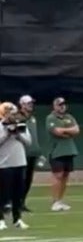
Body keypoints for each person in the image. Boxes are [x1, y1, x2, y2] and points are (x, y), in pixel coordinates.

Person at [0, 102, 32, 230]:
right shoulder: (1, 126)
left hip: (20, 162)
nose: (12, 116)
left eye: (13, 113)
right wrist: (7, 133)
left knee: (17, 194)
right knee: (2, 194)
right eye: (9, 113)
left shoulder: (21, 124)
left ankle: (17, 219)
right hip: (3, 164)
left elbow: (28, 142)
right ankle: (1, 220)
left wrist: (17, 134)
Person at [46, 97, 81, 211]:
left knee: (65, 176)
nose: (62, 106)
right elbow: (56, 131)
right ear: (55, 106)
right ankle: (55, 201)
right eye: (60, 104)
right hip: (56, 151)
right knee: (58, 175)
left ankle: (60, 200)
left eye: (64, 104)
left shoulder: (69, 117)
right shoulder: (51, 118)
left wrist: (65, 131)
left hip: (69, 150)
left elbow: (76, 130)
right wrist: (68, 131)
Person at [17, 95, 39, 215]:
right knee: (20, 179)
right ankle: (14, 202)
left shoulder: (32, 118)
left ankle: (22, 202)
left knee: (28, 180)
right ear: (22, 104)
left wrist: (37, 150)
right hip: (21, 154)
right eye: (28, 103)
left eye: (31, 103)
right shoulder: (18, 118)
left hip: (32, 153)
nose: (31, 105)